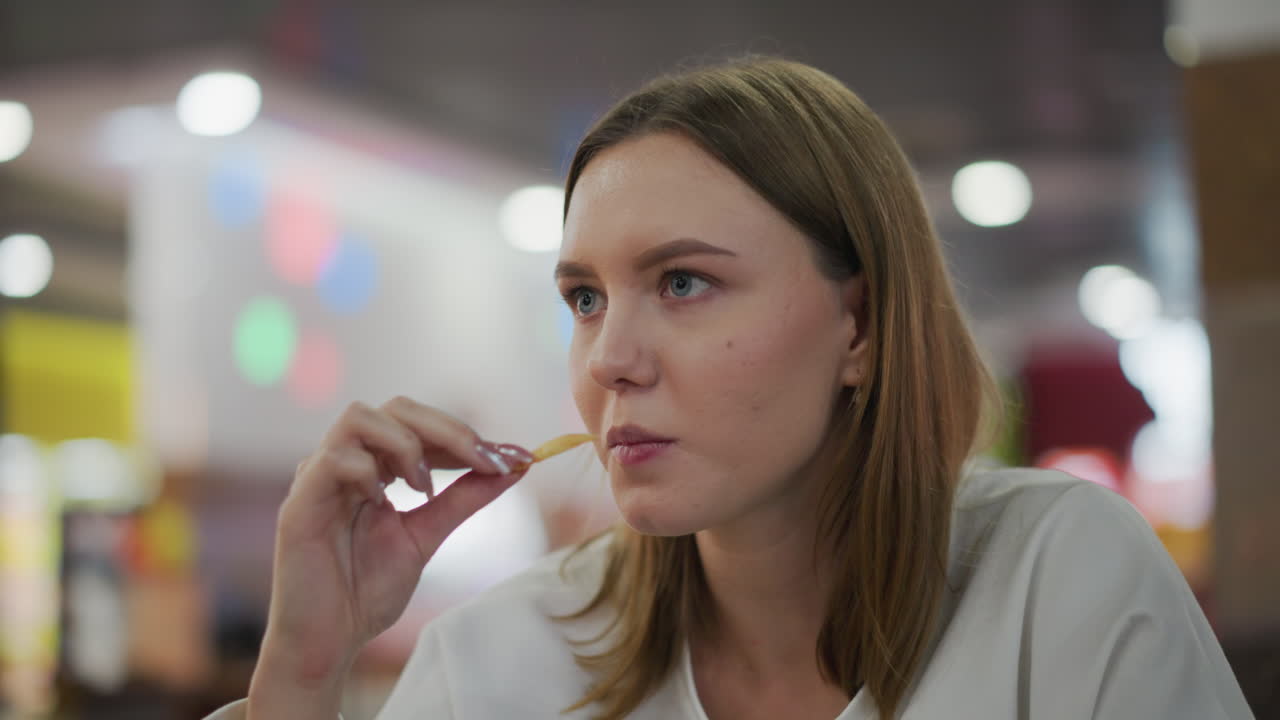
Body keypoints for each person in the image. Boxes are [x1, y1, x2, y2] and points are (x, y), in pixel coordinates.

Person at [208, 58, 1252, 720]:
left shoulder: (1055, 577)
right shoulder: (500, 662)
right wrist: (302, 672)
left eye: (683, 282)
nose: (610, 356)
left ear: (860, 326)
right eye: (583, 297)